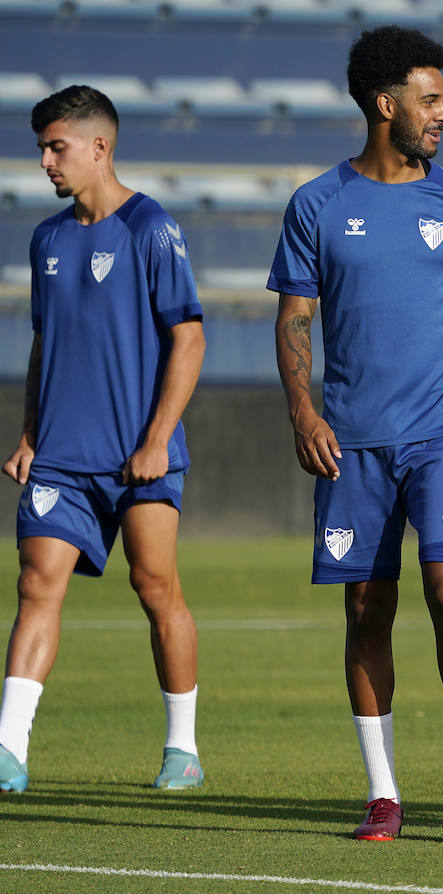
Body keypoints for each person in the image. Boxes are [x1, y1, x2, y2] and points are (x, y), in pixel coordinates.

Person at [268, 26, 443, 843]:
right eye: (430, 100)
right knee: (367, 607)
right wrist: (304, 410)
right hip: (352, 442)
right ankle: (384, 795)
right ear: (384, 104)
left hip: (442, 436)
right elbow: (294, 317)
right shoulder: (317, 204)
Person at [0, 86, 207, 793]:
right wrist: (29, 432)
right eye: (41, 149)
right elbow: (41, 346)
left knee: (155, 586)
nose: (45, 161)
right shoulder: (47, 239)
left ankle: (182, 749)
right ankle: (8, 750)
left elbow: (189, 338)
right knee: (36, 585)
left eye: (56, 147)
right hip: (60, 456)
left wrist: (155, 440)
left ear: (99, 146)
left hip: (138, 457)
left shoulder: (152, 228)